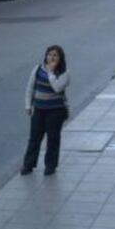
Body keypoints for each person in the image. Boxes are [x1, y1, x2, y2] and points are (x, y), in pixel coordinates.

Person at [21, 45, 70, 177]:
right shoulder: (38, 69)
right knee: (34, 138)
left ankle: (50, 166)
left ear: (60, 58)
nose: (51, 57)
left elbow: (57, 88)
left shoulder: (64, 72)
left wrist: (51, 72)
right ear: (46, 56)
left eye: (55, 55)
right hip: (39, 109)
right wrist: (28, 105)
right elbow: (30, 87)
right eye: (49, 55)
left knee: (53, 139)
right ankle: (28, 165)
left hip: (55, 111)